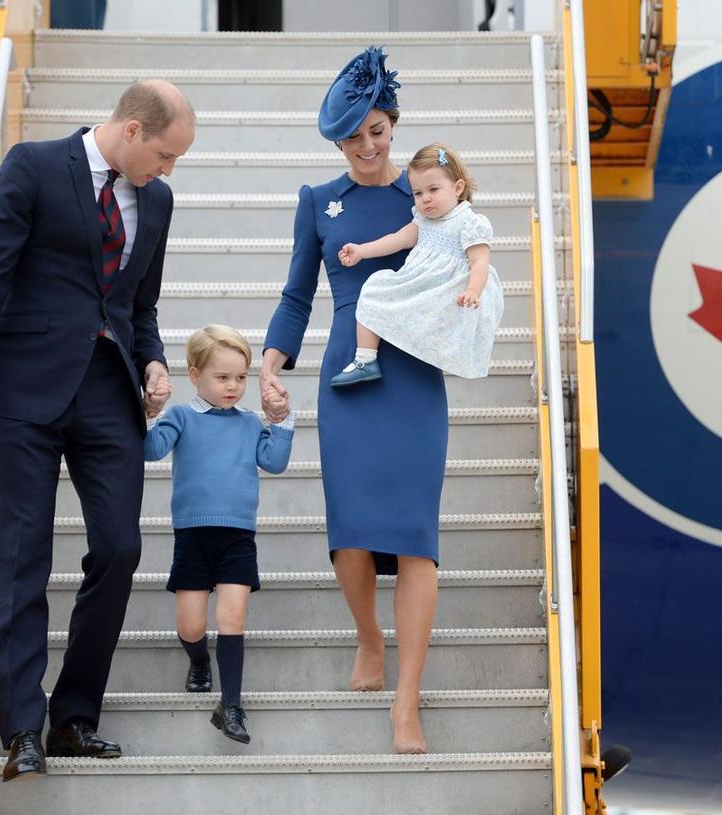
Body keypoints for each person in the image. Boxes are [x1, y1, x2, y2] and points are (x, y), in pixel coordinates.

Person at [0, 80, 196, 781]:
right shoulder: (33, 166)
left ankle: (74, 715)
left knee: (119, 545)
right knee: (22, 554)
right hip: (24, 388)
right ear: (132, 130)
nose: (168, 171)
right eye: (165, 154)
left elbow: (141, 301)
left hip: (108, 390)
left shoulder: (156, 201)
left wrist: (154, 360)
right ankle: (23, 729)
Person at [260, 46, 443, 754]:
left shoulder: (425, 194)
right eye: (354, 136)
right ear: (336, 140)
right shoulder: (318, 202)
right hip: (347, 372)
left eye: (378, 129)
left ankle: (407, 700)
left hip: (415, 372)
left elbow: (466, 255)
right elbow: (297, 293)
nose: (369, 147)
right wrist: (270, 365)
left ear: (393, 122)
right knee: (351, 535)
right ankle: (370, 638)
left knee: (417, 541)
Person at [143, 325, 294, 745]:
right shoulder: (181, 416)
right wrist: (148, 411)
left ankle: (230, 705)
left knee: (232, 616)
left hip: (237, 538)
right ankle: (198, 660)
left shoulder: (249, 423)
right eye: (222, 377)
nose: (233, 387)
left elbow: (275, 462)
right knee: (191, 624)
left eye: (241, 378)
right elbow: (150, 450)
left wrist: (280, 421)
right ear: (195, 376)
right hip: (192, 536)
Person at [332, 142, 503, 386]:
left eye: (434, 189)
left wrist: (473, 290)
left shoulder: (469, 222)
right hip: (420, 285)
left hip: (449, 290)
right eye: (418, 193)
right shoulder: (422, 220)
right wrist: (362, 250)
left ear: (458, 187)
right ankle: (365, 359)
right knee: (374, 287)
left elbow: (480, 261)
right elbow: (398, 240)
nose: (425, 199)